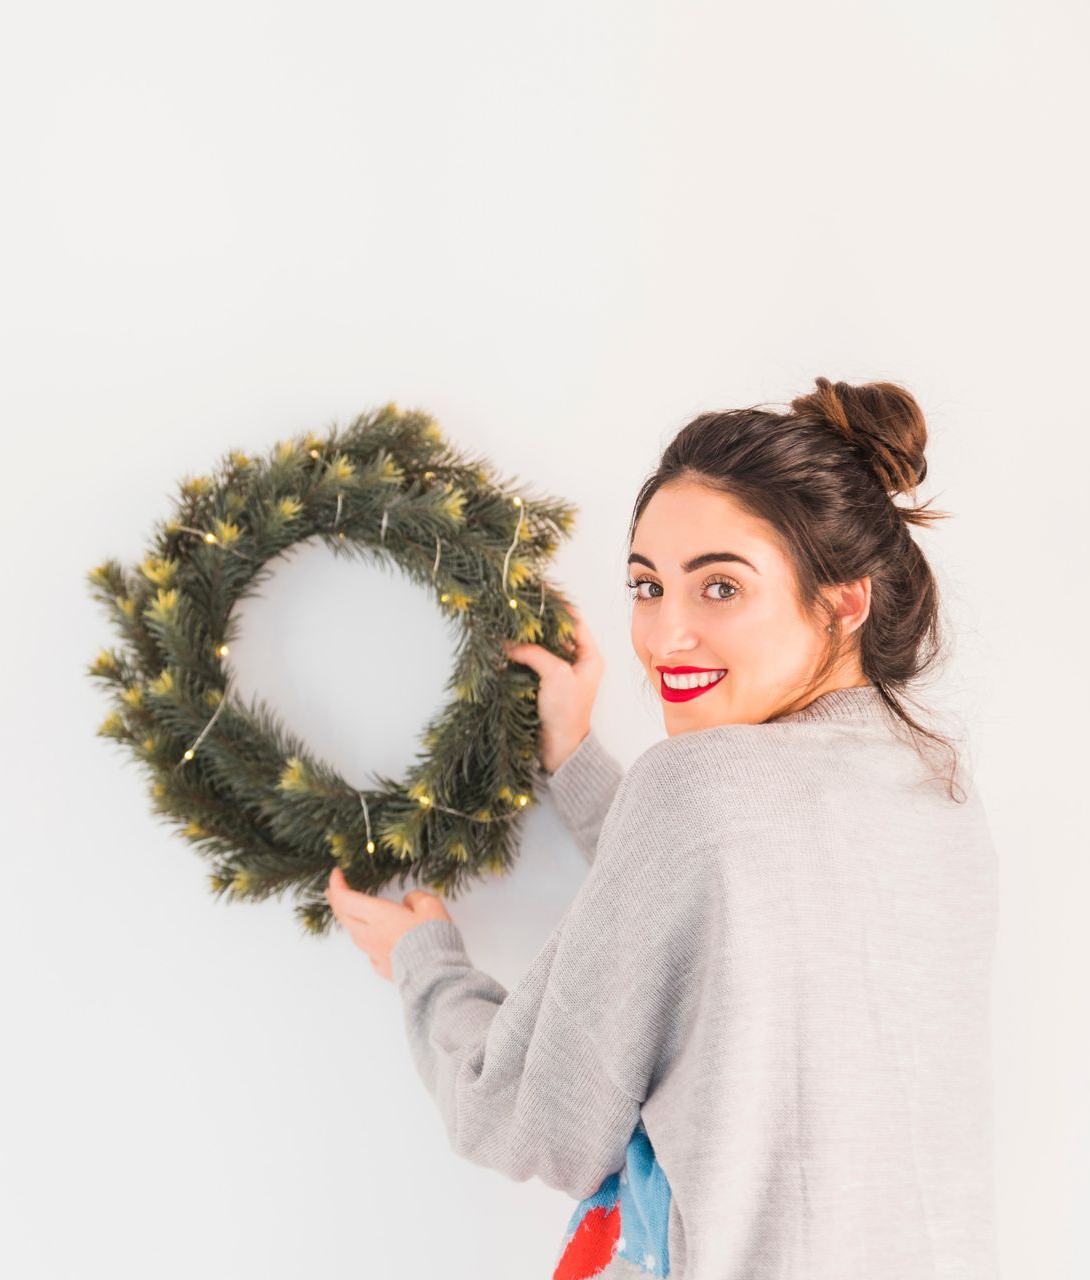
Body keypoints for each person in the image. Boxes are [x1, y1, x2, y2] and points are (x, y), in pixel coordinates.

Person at [325, 378, 998, 1279]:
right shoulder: (936, 790)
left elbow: (521, 1117)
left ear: (843, 602)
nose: (663, 635)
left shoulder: (699, 787)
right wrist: (576, 757)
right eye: (646, 586)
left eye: (720, 586)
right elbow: (719, 921)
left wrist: (425, 962)